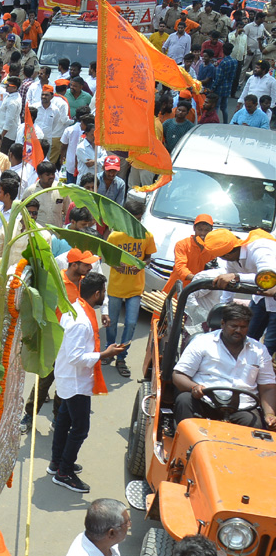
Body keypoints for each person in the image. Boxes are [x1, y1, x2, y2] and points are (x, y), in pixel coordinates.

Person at [51, 274, 127, 493]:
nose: (105, 295)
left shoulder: (75, 308)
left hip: (70, 379)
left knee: (64, 421)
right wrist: (104, 354)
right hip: (75, 382)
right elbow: (76, 358)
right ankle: (64, 473)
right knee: (80, 429)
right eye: (104, 291)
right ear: (97, 293)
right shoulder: (81, 322)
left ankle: (57, 462)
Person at [172, 301, 276, 426]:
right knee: (184, 400)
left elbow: (268, 387)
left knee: (256, 425)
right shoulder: (202, 342)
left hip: (243, 408)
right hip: (205, 401)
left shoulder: (259, 350)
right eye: (234, 326)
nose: (238, 330)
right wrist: (194, 387)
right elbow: (178, 375)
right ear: (223, 324)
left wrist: (269, 414)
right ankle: (184, 443)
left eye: (243, 327)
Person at [104, 196, 156, 378]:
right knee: (111, 323)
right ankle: (109, 349)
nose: (136, 221)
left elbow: (148, 257)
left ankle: (121, 357)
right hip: (116, 288)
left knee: (131, 323)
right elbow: (106, 257)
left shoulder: (147, 235)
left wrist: (141, 264)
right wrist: (115, 264)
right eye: (132, 217)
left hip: (136, 287)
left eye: (139, 218)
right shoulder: (115, 235)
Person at [163, 214, 217, 294]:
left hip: (197, 291)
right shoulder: (182, 244)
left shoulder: (213, 248)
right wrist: (196, 279)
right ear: (194, 228)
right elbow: (180, 267)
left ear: (211, 230)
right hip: (177, 289)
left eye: (206, 230)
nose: (203, 233)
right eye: (200, 229)